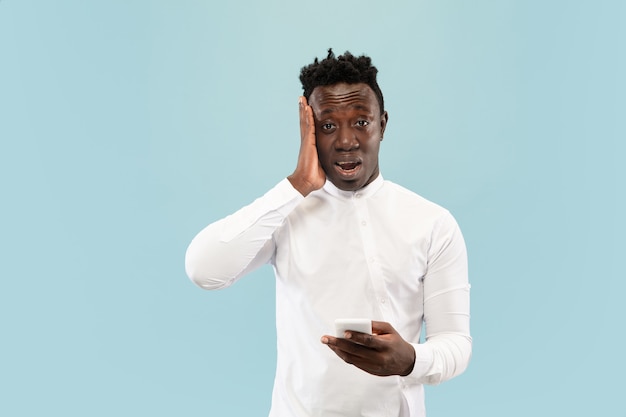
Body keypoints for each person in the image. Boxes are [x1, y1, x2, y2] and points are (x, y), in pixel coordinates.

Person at [185, 49, 471, 417]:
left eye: (361, 122)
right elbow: (204, 270)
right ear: (309, 131)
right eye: (328, 126)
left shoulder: (433, 223)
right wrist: (298, 184)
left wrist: (410, 359)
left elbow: (456, 343)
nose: (346, 141)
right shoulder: (286, 213)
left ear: (383, 125)